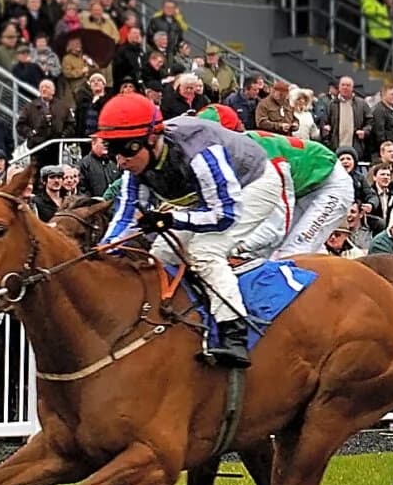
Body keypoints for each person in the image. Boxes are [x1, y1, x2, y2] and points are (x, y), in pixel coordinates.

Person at [92, 91, 291, 367]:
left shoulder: (198, 152)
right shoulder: (135, 162)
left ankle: (234, 334)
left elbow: (224, 215)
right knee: (160, 252)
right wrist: (105, 249)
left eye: (126, 149)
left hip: (253, 186)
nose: (121, 161)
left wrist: (172, 220)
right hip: (208, 199)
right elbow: (125, 214)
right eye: (113, 151)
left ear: (152, 139)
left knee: (204, 251)